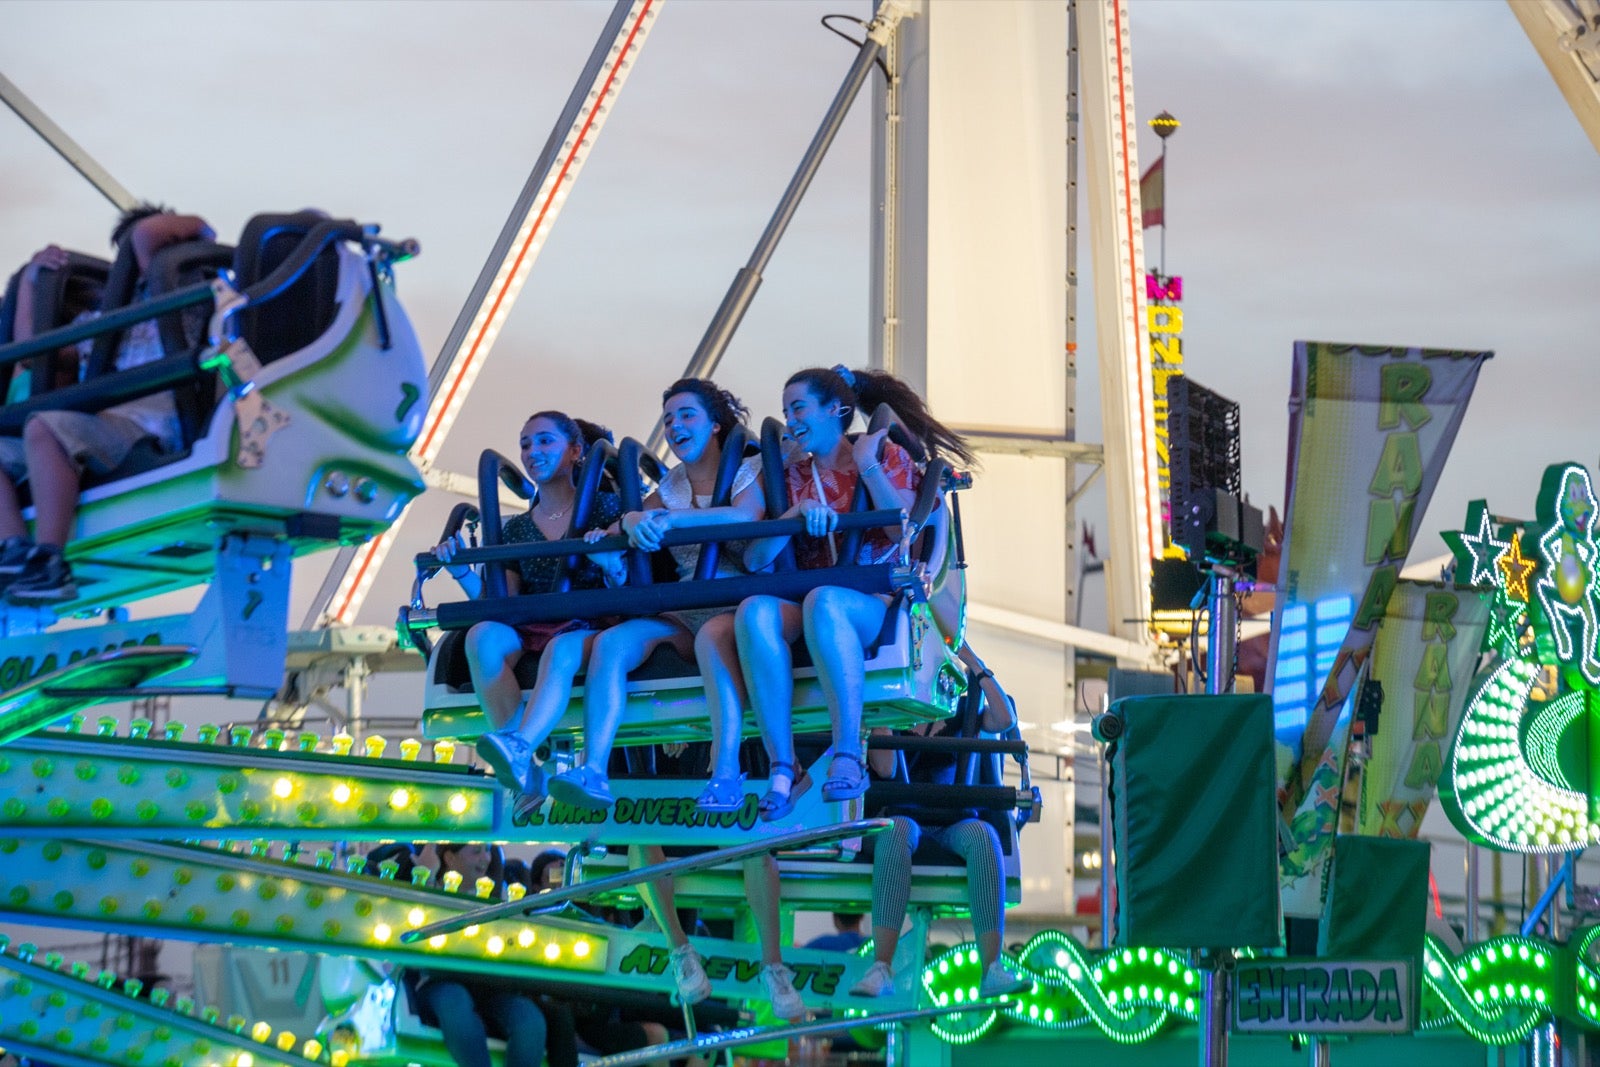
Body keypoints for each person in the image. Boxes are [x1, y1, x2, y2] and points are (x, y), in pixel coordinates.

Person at [738, 365, 969, 818]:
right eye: (786, 411)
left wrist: (868, 465)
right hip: (807, 601)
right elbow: (754, 559)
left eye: (799, 407)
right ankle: (785, 768)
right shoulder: (789, 476)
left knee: (826, 603)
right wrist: (792, 517)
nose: (791, 419)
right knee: (754, 611)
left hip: (878, 603)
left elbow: (906, 530)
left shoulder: (885, 457)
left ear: (836, 410)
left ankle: (848, 754)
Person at [0, 205, 215, 603]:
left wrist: (199, 228)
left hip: (149, 428)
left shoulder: (185, 298)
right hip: (102, 431)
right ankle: (15, 553)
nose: (131, 270)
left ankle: (51, 560)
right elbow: (31, 354)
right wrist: (33, 278)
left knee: (44, 426)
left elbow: (149, 233)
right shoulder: (102, 319)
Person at [433, 410, 623, 815]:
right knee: (482, 635)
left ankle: (519, 744)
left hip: (591, 622)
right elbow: (499, 600)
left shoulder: (607, 507)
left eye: (544, 442)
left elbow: (631, 576)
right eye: (525, 444)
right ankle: (525, 768)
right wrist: (461, 569)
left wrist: (609, 557)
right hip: (535, 623)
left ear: (575, 451)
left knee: (561, 650)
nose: (532, 451)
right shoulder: (517, 527)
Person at [849, 663, 1031, 1001]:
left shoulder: (964, 711)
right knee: (896, 831)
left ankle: (992, 967)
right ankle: (881, 967)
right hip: (903, 815)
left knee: (984, 836)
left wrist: (973, 662)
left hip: (952, 821)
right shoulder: (896, 708)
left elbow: (1005, 719)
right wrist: (882, 717)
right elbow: (887, 769)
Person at [404, 842, 556, 1067]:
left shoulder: (503, 895)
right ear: (450, 858)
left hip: (488, 985)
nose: (486, 858)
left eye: (487, 850)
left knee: (529, 1021)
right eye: (476, 852)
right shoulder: (430, 887)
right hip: (439, 981)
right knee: (455, 1004)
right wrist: (428, 873)